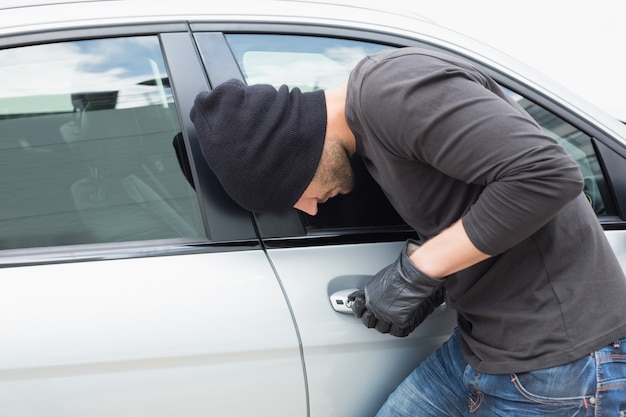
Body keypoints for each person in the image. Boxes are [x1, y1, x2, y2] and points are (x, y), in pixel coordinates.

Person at [189, 47, 626, 416]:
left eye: (292, 195)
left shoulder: (394, 91)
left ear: (295, 156)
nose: (308, 208)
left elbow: (547, 175)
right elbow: (468, 197)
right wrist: (437, 278)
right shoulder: (371, 135)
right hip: (484, 348)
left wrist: (418, 271)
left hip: (559, 361)